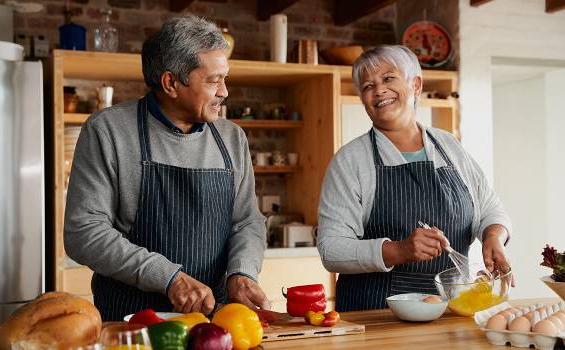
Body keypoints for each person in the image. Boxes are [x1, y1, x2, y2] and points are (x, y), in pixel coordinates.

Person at [64, 15, 270, 321]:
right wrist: (168, 277)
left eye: (224, 78)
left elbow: (246, 222)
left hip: (215, 322)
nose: (225, 91)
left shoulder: (231, 138)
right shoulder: (109, 130)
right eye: (213, 80)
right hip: (132, 323)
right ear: (171, 83)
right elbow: (84, 232)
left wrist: (242, 272)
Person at [317, 45, 513, 312]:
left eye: (388, 79)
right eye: (367, 86)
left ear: (416, 85)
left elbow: (490, 209)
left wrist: (493, 237)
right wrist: (399, 250)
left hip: (451, 310)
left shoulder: (449, 146)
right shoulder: (350, 161)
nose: (378, 91)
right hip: (377, 316)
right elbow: (332, 250)